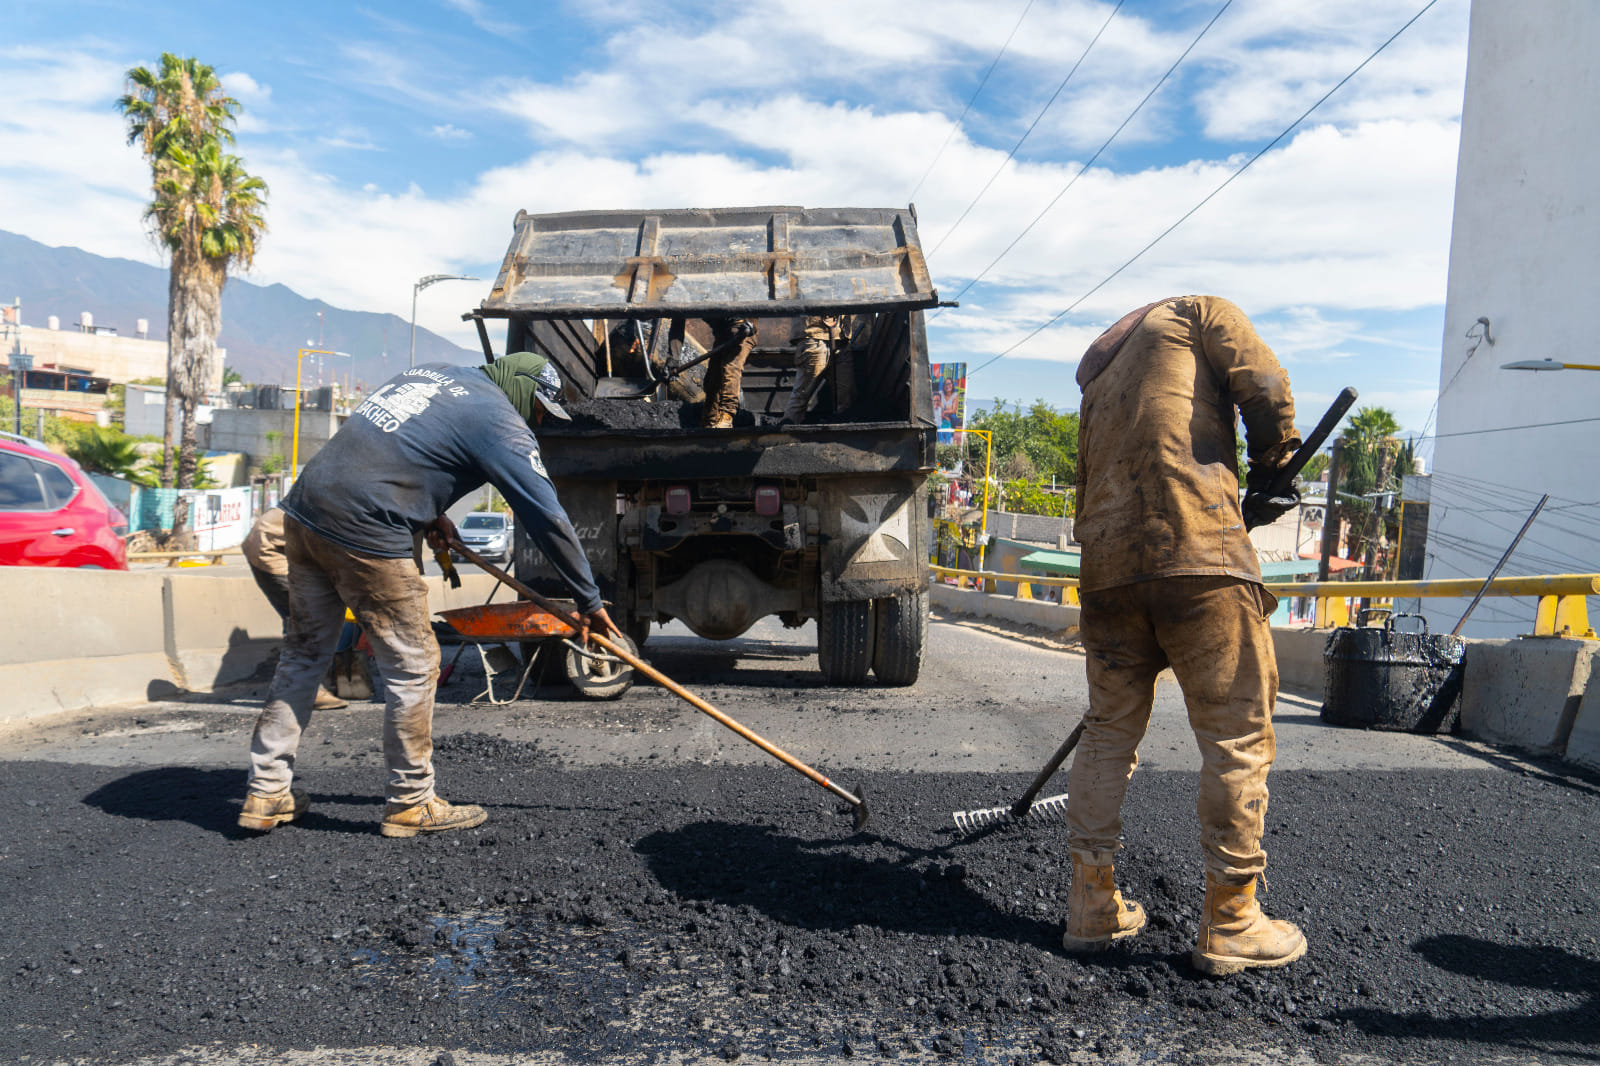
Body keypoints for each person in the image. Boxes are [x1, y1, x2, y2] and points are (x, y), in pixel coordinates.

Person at [238, 352, 620, 838]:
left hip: (306, 513)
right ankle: (411, 801)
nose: (538, 419)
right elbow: (546, 516)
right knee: (414, 665)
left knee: (303, 655)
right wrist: (588, 600)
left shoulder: (432, 373)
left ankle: (265, 791)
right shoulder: (499, 417)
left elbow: (394, 453)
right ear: (521, 387)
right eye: (539, 408)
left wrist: (427, 513)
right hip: (367, 531)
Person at [1062, 295, 1306, 976]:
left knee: (1108, 729)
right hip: (1198, 552)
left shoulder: (1096, 378)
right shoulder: (1196, 312)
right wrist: (1273, 462)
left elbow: (1087, 481)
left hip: (1108, 570)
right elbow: (1262, 382)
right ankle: (1232, 920)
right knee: (1236, 735)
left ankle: (1091, 905)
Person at [240, 506, 347, 711]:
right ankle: (305, 690)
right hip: (270, 549)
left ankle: (297, 686)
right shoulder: (349, 505)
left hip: (277, 545)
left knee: (301, 617)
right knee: (306, 618)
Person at [779, 315, 846, 425]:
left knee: (845, 395)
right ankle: (788, 428)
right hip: (814, 334)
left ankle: (844, 430)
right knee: (803, 392)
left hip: (842, 338)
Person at [700, 317, 759, 429]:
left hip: (744, 330)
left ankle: (726, 416)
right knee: (712, 379)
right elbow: (677, 323)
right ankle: (710, 420)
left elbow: (755, 303)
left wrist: (750, 324)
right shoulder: (686, 301)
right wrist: (673, 359)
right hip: (723, 334)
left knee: (731, 368)